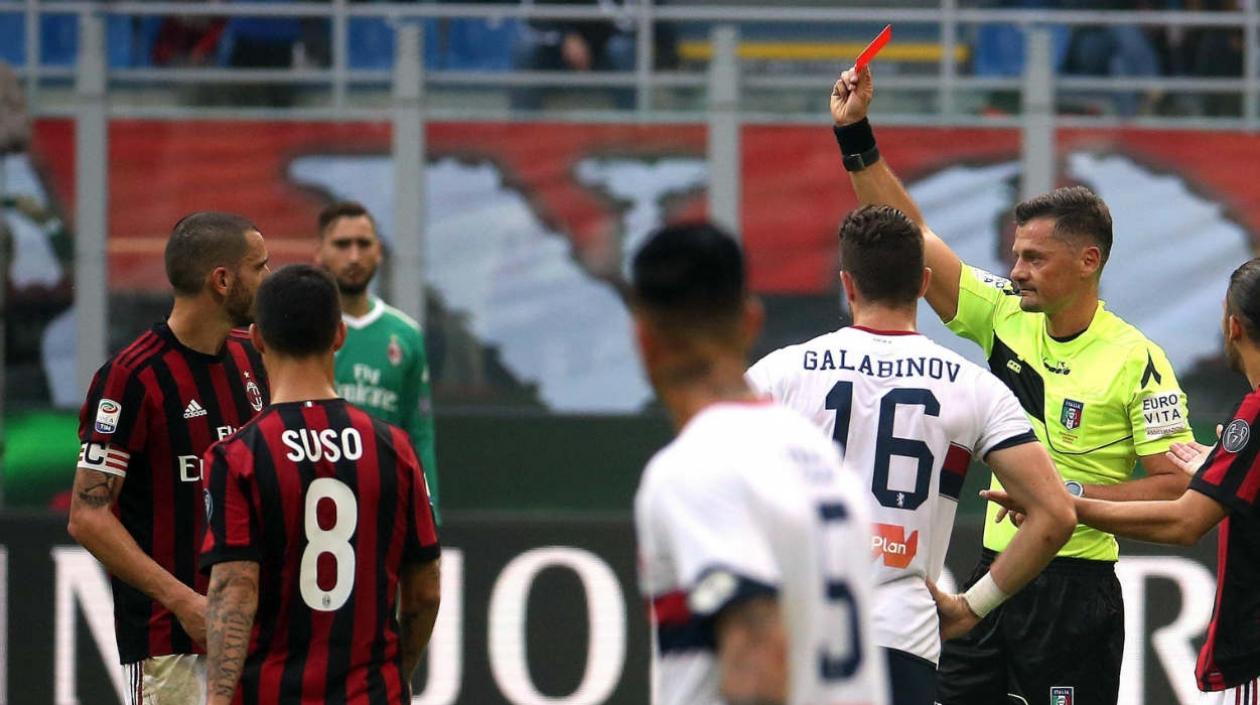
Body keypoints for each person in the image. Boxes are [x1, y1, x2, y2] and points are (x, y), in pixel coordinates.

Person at [830, 66, 1196, 705]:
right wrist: (855, 135)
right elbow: (913, 238)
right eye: (1016, 255)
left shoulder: (1136, 359)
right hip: (995, 577)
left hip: (1076, 590)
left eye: (1034, 258)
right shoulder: (1003, 312)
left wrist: (1066, 496)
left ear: (1088, 262)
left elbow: (1175, 485)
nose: (1016, 270)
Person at [746, 205, 1076, 705]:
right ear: (923, 283)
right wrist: (972, 606)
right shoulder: (975, 388)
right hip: (902, 635)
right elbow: (1055, 514)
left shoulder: (778, 375)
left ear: (847, 284)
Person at [631, 222, 888, 705]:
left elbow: (758, 660)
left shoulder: (694, 467)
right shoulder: (823, 459)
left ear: (643, 339)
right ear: (751, 321)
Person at [982, 258, 1260, 704]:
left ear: (1233, 327)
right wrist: (1228, 471)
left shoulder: (1253, 414)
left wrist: (1061, 503)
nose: (1018, 270)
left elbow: (1184, 523)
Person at [200, 264, 441, 705]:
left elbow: (233, 590)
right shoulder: (396, 449)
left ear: (256, 339)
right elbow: (425, 592)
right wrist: (395, 674)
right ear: (339, 335)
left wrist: (216, 699)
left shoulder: (237, 456)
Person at [68, 211, 272, 705]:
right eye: (259, 266)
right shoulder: (132, 377)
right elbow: (87, 516)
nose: (269, 278)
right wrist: (184, 602)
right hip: (173, 645)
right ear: (222, 280)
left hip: (258, 639)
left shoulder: (255, 358)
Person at [315, 201, 441, 521]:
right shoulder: (303, 327)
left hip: (386, 503)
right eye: (342, 244)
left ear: (379, 252)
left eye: (364, 244)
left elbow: (419, 432)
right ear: (320, 252)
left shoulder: (406, 334)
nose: (354, 256)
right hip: (315, 497)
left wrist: (429, 510)